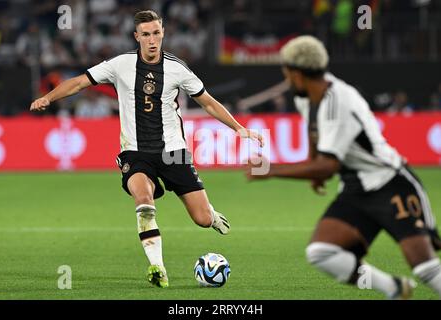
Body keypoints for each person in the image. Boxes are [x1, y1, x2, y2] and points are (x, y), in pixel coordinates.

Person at [30, 10, 263, 288]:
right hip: (135, 152)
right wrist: (47, 97)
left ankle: (211, 214)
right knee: (143, 199)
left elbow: (208, 102)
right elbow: (80, 82)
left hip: (173, 151)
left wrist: (239, 129)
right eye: (146, 34)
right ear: (136, 36)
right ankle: (157, 267)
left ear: (162, 33)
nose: (152, 40)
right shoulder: (121, 64)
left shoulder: (177, 68)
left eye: (156, 33)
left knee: (200, 218)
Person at [246, 35, 441, 299]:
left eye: (287, 73)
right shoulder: (307, 97)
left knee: (425, 267)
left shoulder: (339, 102)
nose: (286, 79)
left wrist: (271, 170)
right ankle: (394, 289)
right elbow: (314, 132)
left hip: (390, 183)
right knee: (321, 253)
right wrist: (312, 164)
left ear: (297, 73)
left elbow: (328, 165)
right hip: (356, 189)